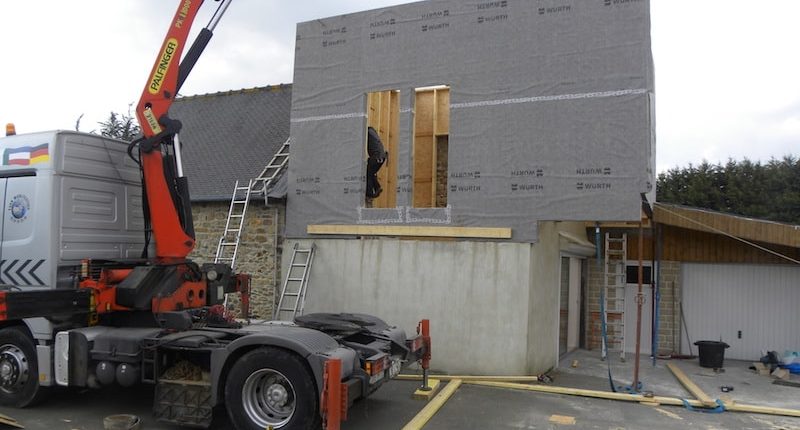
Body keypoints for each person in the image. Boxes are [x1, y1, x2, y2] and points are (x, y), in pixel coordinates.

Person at [366, 126, 388, 200]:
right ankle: (377, 187)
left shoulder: (367, 132)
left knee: (368, 173)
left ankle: (369, 194)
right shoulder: (373, 133)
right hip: (382, 156)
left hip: (377, 157)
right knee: (371, 172)